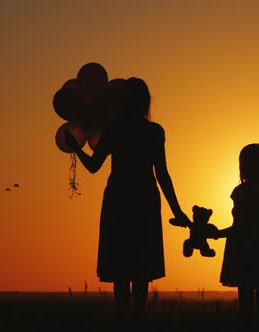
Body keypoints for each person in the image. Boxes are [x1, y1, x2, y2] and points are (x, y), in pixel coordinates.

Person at [64, 77, 190, 317]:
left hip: (118, 199)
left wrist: (76, 146)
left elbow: (93, 166)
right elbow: (162, 174)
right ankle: (138, 320)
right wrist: (177, 211)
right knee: (141, 271)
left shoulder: (113, 128)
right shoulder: (154, 131)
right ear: (145, 102)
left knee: (120, 269)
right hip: (145, 200)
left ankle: (123, 321)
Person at [216, 143, 259, 324]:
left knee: (246, 308)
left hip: (244, 252)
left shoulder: (242, 192)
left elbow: (239, 228)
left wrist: (217, 234)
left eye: (244, 162)